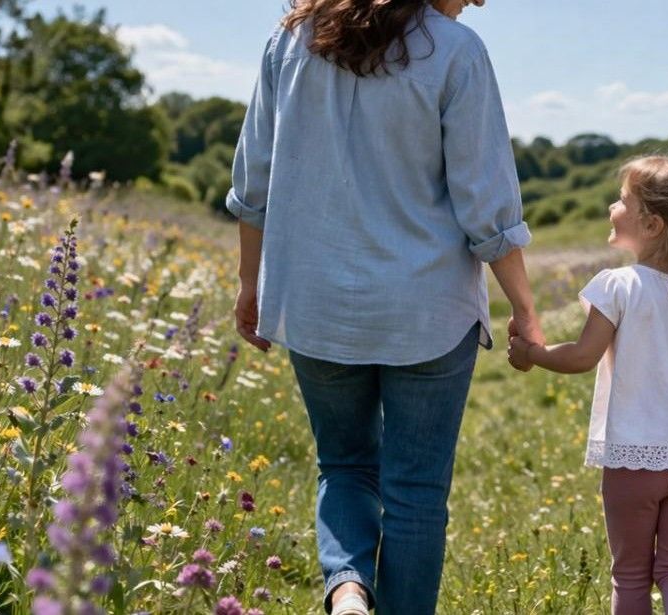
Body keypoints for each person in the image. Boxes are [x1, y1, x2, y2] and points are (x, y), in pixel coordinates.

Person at [227, 1, 543, 613]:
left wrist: (250, 281)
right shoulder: (457, 51)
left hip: (314, 302)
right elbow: (488, 201)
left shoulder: (291, 41)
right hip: (428, 308)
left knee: (343, 465)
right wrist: (524, 310)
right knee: (416, 491)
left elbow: (254, 179)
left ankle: (347, 593)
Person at [509, 155, 668, 615]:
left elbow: (581, 357)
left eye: (621, 201)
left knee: (631, 575)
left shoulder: (618, 285)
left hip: (634, 461)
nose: (612, 208)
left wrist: (531, 353)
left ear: (652, 223)